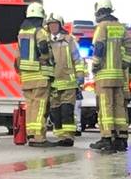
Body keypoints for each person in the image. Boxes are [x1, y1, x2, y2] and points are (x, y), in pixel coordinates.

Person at [91, 2, 131, 151]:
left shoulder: (102, 27)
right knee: (118, 106)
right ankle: (121, 138)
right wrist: (123, 64)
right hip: (118, 75)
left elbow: (99, 47)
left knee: (106, 106)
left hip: (104, 75)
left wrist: (95, 65)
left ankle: (107, 138)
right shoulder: (120, 27)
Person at [15, 15, 50, 145]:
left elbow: (17, 57)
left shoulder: (21, 33)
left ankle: (30, 134)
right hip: (39, 75)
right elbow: (43, 47)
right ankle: (39, 136)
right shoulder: (39, 31)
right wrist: (46, 57)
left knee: (30, 105)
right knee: (40, 105)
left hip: (26, 77)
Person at [46, 19, 82, 144]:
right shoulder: (46, 41)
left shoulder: (68, 40)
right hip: (53, 83)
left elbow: (77, 59)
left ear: (60, 26)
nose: (52, 27)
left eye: (55, 24)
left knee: (67, 110)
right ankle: (61, 137)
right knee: (55, 112)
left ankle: (68, 137)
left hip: (68, 81)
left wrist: (80, 74)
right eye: (50, 25)